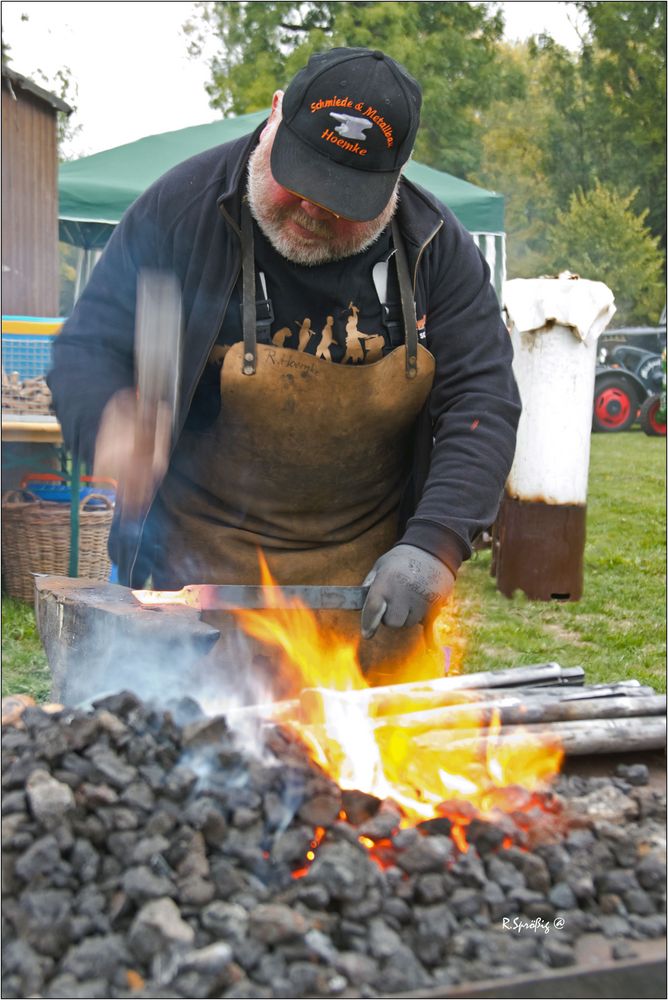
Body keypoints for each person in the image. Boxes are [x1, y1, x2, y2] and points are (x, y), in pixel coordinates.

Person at [47, 47, 521, 671]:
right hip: (189, 596)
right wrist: (107, 421)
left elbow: (482, 398)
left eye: (343, 198)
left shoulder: (435, 247)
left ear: (396, 180)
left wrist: (434, 544)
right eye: (299, 179)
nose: (313, 211)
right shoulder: (182, 211)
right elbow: (86, 349)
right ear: (275, 116)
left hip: (365, 600)